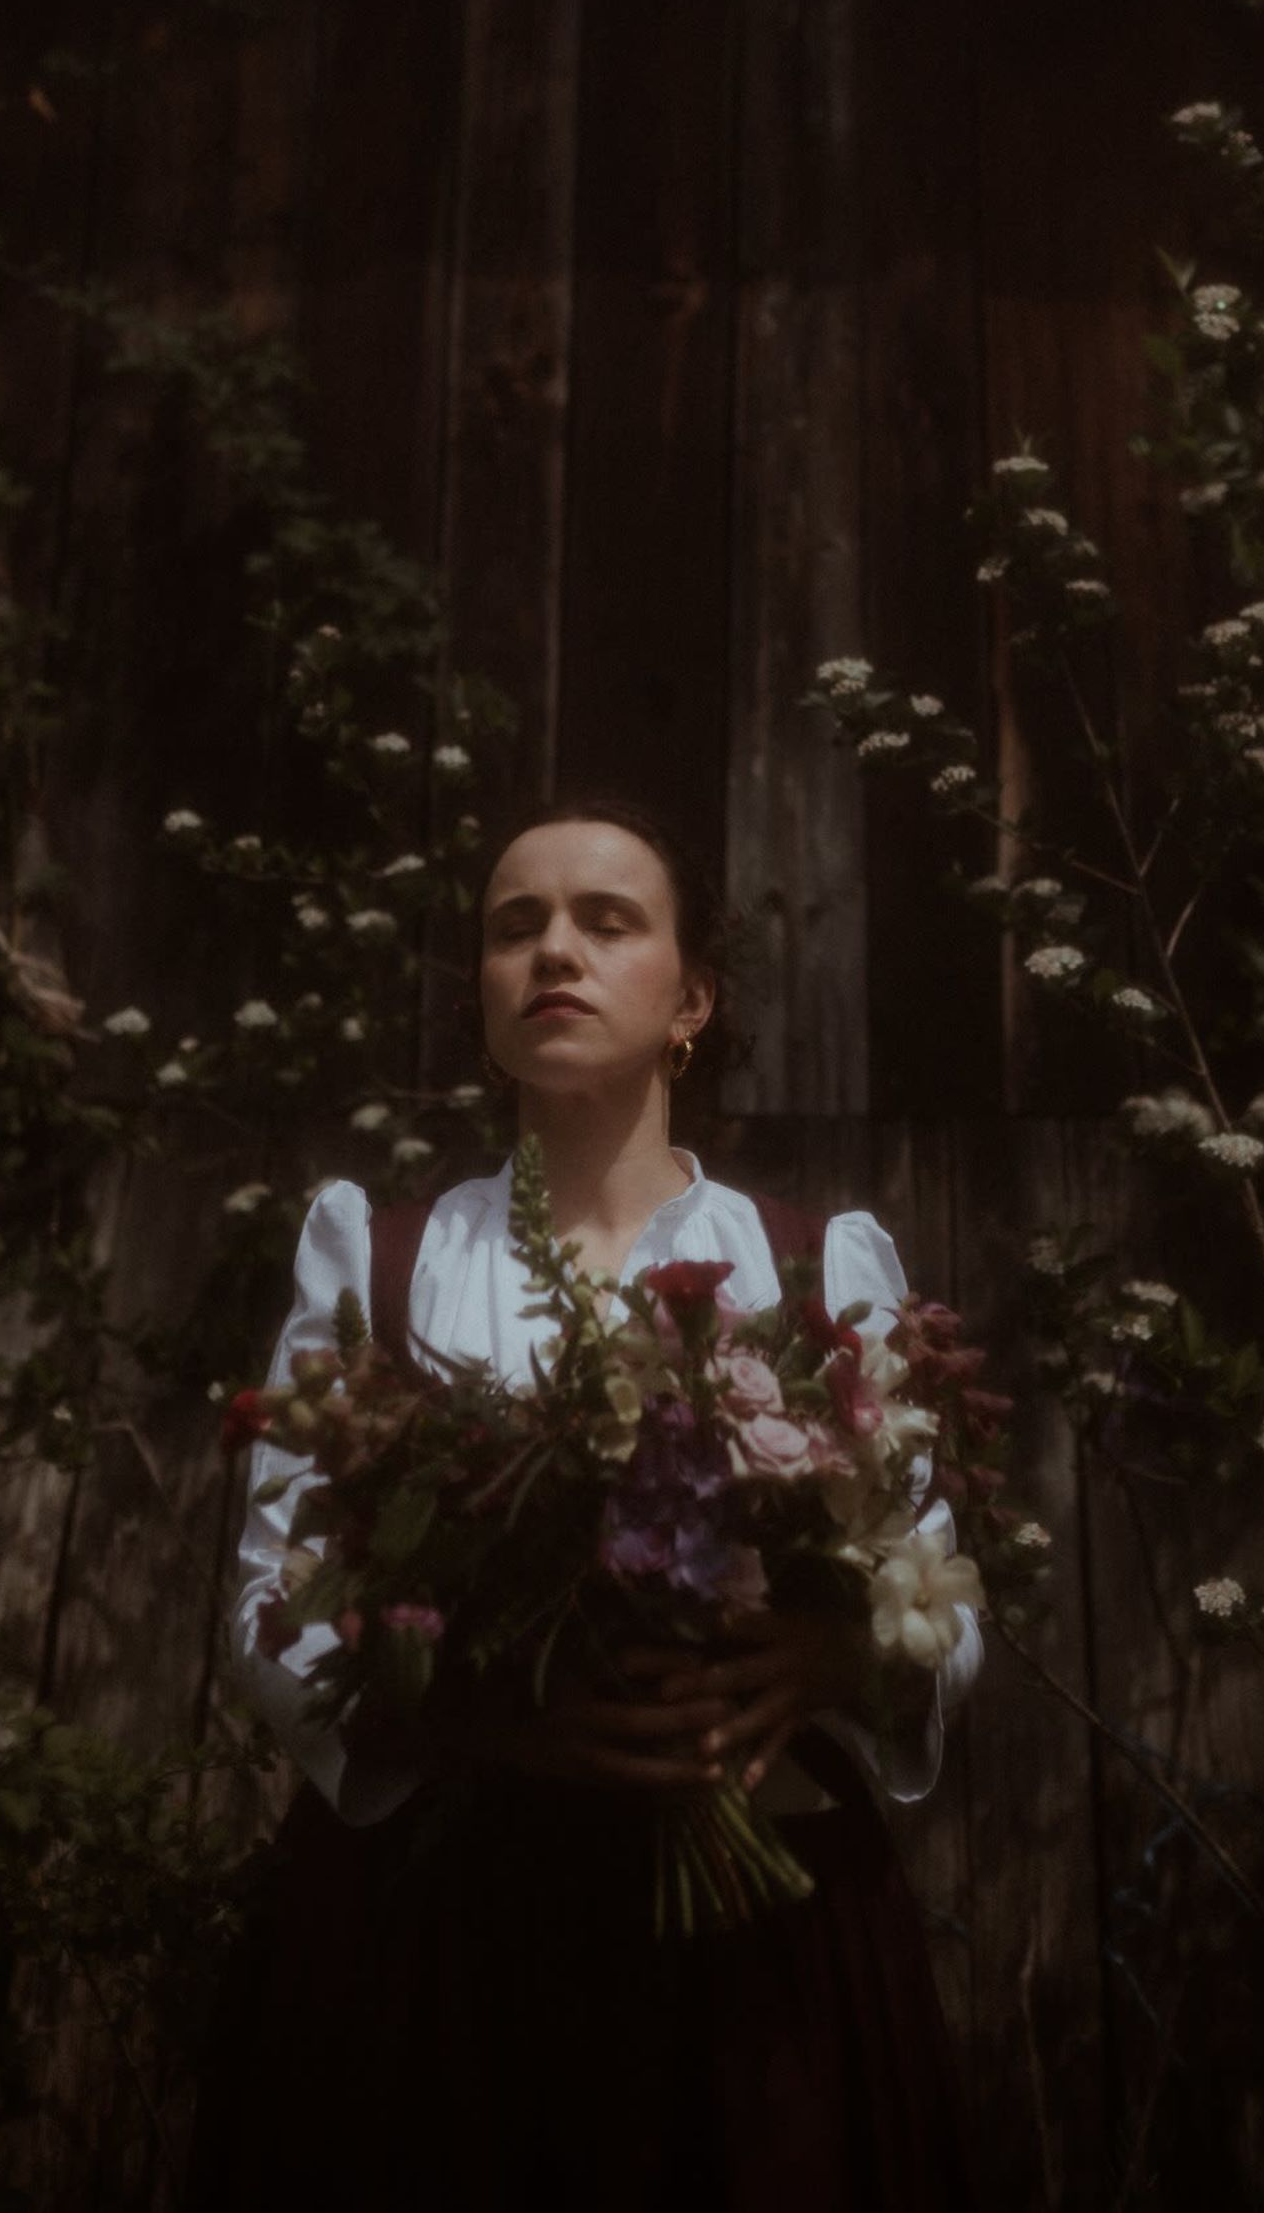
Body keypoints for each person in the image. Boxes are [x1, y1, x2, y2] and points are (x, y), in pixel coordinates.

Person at [189, 799, 983, 2212]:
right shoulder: (378, 1258)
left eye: (605, 920)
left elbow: (937, 1598)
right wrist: (487, 1710)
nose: (553, 947)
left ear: (691, 1000)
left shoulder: (817, 1267)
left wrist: (829, 1656)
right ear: (485, 1001)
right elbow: (272, 1608)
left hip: (759, 1942)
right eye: (515, 926)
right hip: (442, 1946)